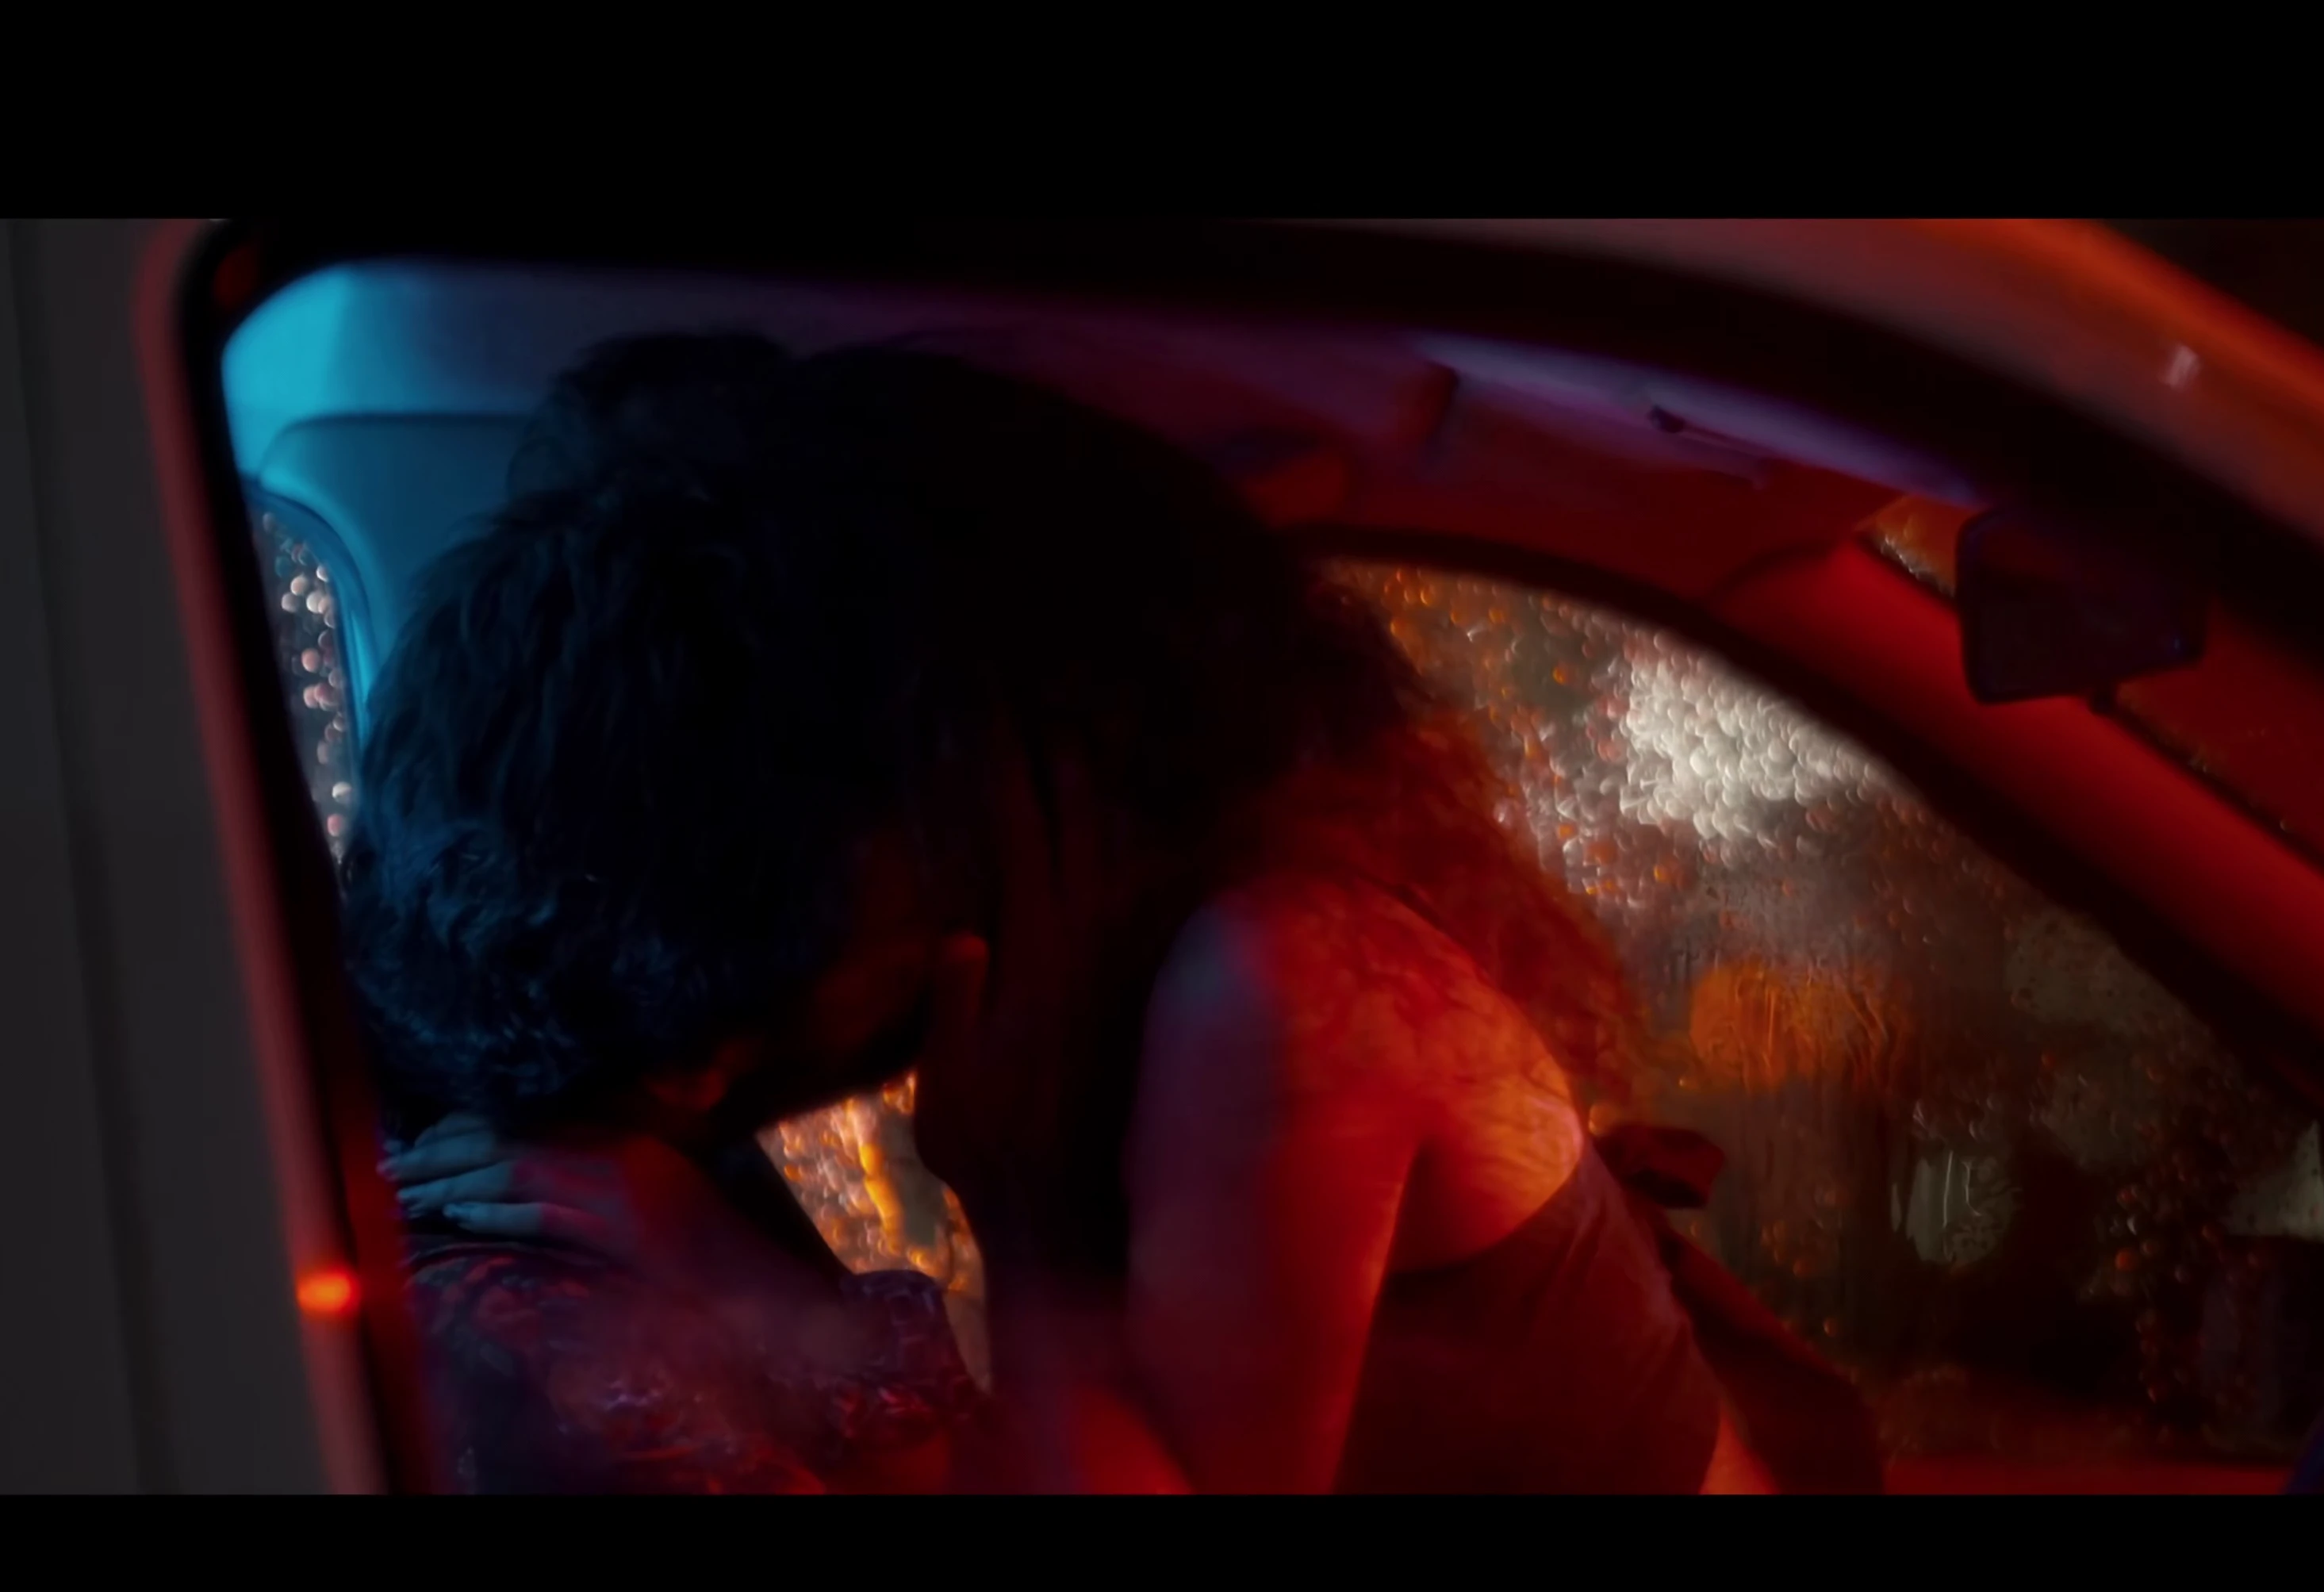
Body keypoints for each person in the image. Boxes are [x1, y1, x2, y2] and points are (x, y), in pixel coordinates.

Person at [357, 332, 1881, 1493]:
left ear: (966, 781)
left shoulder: (1275, 985)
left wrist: (972, 1218)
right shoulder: (1173, 970)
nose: (708, 1067)